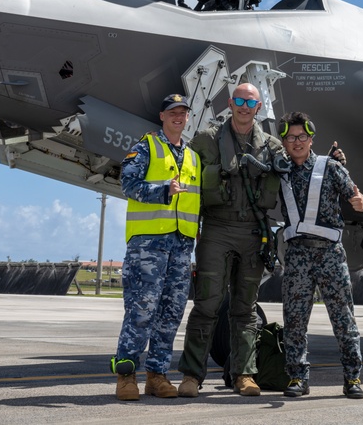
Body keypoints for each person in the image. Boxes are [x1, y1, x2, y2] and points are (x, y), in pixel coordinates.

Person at [177, 82, 287, 397]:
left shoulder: (271, 146)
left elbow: (297, 168)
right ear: (230, 103)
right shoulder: (207, 142)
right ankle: (191, 376)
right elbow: (183, 177)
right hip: (216, 230)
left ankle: (244, 376)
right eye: (238, 100)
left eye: (249, 101)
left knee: (245, 309)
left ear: (258, 107)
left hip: (253, 233)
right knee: (206, 305)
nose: (243, 106)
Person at [111, 93, 201, 401]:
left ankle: (157, 375)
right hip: (148, 245)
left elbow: (194, 202)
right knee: (141, 310)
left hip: (180, 245)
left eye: (183, 112)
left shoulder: (193, 157)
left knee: (170, 313)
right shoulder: (146, 147)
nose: (178, 116)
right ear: (162, 116)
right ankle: (126, 376)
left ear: (187, 117)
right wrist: (163, 190)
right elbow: (129, 185)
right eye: (172, 112)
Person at [276, 110, 363, 399]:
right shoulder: (279, 169)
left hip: (330, 254)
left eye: (302, 136)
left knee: (343, 318)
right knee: (294, 320)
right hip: (297, 255)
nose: (297, 142)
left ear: (311, 138)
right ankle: (297, 378)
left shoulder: (331, 167)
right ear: (284, 141)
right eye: (291, 138)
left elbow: (358, 195)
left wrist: (361, 202)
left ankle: (352, 378)